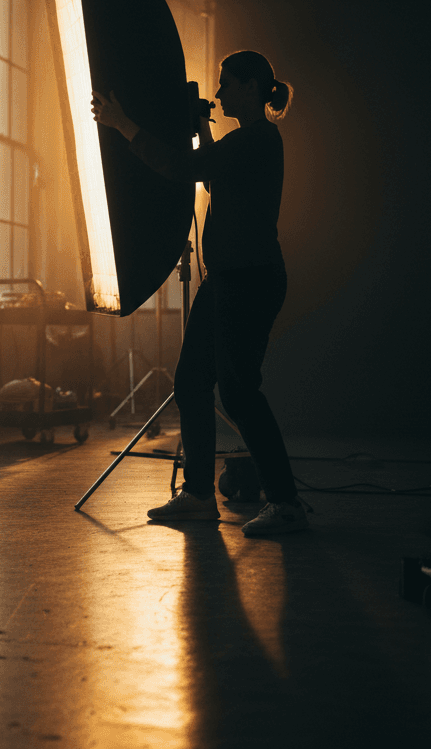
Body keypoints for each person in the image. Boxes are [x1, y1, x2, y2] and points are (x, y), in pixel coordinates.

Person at [91, 49, 308, 536]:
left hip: (249, 279)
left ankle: (285, 502)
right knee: (191, 382)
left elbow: (179, 167)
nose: (218, 92)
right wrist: (204, 132)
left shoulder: (258, 139)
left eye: (226, 83)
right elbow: (213, 177)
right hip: (227, 278)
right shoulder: (245, 142)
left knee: (238, 391)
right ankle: (198, 496)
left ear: (250, 87)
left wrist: (122, 124)